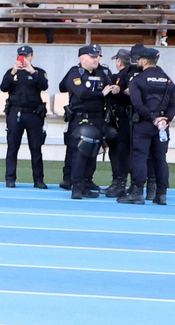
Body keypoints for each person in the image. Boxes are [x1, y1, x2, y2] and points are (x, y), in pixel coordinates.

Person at [120, 45, 174, 205]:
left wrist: (152, 118)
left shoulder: (138, 80)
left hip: (144, 123)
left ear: (144, 61)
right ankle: (161, 194)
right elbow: (173, 104)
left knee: (140, 157)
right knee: (160, 158)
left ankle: (137, 192)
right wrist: (165, 119)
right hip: (162, 125)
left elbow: (137, 104)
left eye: (139, 60)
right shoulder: (168, 80)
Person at [58, 44, 113, 199]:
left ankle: (86, 182)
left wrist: (113, 90)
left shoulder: (102, 73)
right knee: (80, 152)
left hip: (98, 117)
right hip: (81, 117)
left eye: (98, 56)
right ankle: (76, 185)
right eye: (93, 57)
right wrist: (100, 94)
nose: (97, 59)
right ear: (83, 59)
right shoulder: (75, 73)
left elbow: (110, 88)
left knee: (93, 152)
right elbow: (81, 93)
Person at [0, 45, 49, 189]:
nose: (24, 59)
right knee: (12, 147)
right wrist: (13, 71)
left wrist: (31, 71)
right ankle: (10, 178)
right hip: (15, 112)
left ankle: (38, 180)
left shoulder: (39, 72)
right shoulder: (12, 72)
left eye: (27, 56)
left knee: (36, 147)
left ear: (32, 57)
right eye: (21, 56)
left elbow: (44, 85)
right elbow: (4, 87)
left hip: (33, 113)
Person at [105, 47, 138, 198]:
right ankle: (137, 185)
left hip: (124, 118)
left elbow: (116, 96)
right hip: (140, 118)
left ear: (119, 62)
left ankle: (120, 183)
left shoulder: (122, 75)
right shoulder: (141, 74)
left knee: (122, 151)